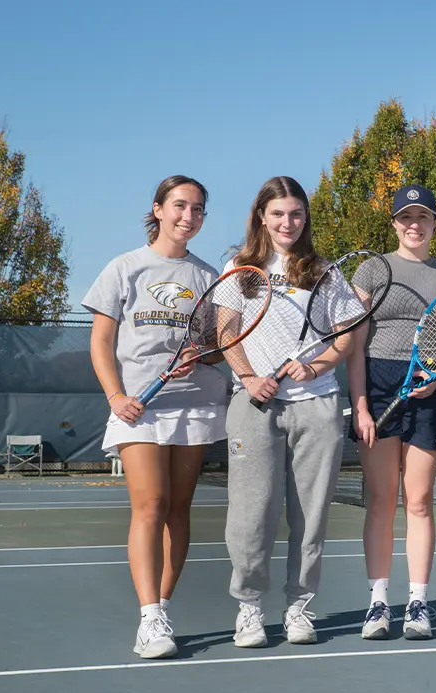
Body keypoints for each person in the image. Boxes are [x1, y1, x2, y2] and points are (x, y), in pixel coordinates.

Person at [84, 175, 227, 659]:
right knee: (151, 504)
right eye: (181, 206)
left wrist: (203, 355)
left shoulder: (209, 278)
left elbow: (217, 348)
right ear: (159, 209)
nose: (190, 216)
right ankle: (148, 618)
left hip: (197, 403)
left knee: (178, 509)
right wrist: (115, 396)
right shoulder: (124, 268)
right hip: (138, 409)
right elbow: (100, 343)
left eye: (199, 209)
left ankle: (162, 608)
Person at [221, 176, 355, 648]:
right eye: (278, 213)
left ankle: (299, 607)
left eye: (296, 214)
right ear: (262, 215)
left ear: (305, 218)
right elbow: (226, 332)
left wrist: (315, 364)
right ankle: (250, 609)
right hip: (254, 404)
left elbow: (343, 340)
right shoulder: (239, 267)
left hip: (316, 406)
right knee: (251, 514)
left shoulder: (325, 271)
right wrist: (247, 377)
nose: (287, 222)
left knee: (310, 516)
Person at [347, 184, 436, 641]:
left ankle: (417, 602)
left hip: (427, 388)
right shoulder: (372, 269)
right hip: (377, 386)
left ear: (435, 222)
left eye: (423, 217)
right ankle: (378, 605)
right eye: (406, 217)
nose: (414, 225)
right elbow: (354, 345)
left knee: (418, 501)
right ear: (394, 223)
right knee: (381, 501)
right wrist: (359, 404)